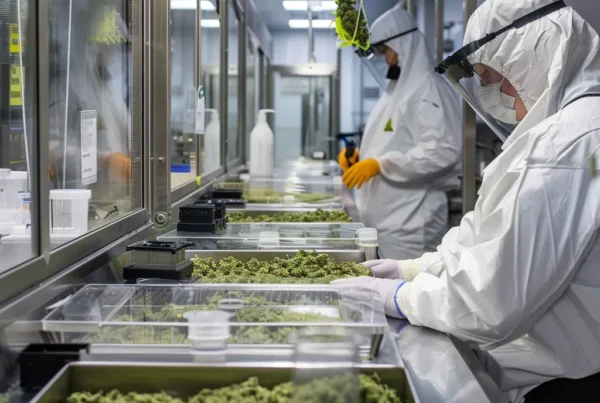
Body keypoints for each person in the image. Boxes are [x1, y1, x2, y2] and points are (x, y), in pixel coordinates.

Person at [334, 0, 600, 402]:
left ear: (538, 53)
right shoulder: (557, 132)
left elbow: (490, 300)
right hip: (548, 363)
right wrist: (413, 267)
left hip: (571, 383)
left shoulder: (570, 143)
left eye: (493, 75)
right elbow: (486, 237)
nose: (493, 92)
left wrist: (401, 297)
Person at [338, 5, 462, 260]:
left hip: (412, 228)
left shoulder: (428, 90)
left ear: (405, 46)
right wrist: (360, 158)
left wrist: (381, 165)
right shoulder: (396, 91)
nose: (389, 60)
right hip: (389, 225)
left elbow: (441, 152)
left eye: (390, 52)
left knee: (408, 295)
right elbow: (394, 140)